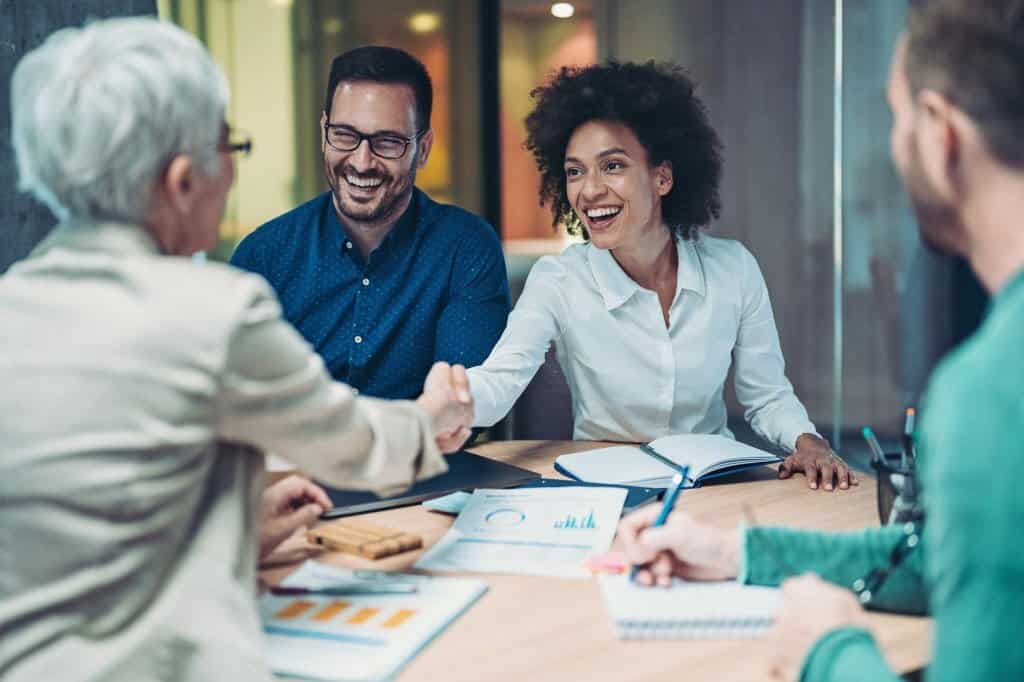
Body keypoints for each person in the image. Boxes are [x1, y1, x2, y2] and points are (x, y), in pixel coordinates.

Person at [0, 18, 474, 681]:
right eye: (231, 149)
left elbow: (87, 529)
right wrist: (431, 417)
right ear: (182, 180)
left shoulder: (11, 306)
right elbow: (356, 443)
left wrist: (237, 526)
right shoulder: (212, 313)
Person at [618, 1, 1024, 680]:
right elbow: (946, 562)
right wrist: (739, 555)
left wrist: (828, 649)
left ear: (939, 133)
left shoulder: (990, 393)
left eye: (895, 119)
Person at [467, 61, 855, 490]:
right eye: (575, 171)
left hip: (711, 485)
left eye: (612, 166)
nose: (589, 190)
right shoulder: (558, 278)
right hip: (604, 487)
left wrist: (808, 441)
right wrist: (442, 405)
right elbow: (500, 382)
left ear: (662, 177)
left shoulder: (734, 268)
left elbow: (766, 395)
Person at [230, 46, 511, 401]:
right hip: (297, 457)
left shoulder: (465, 249)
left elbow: (461, 403)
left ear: (422, 148)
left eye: (387, 142)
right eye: (345, 135)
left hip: (422, 456)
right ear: (323, 131)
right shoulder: (265, 256)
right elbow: (238, 403)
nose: (362, 162)